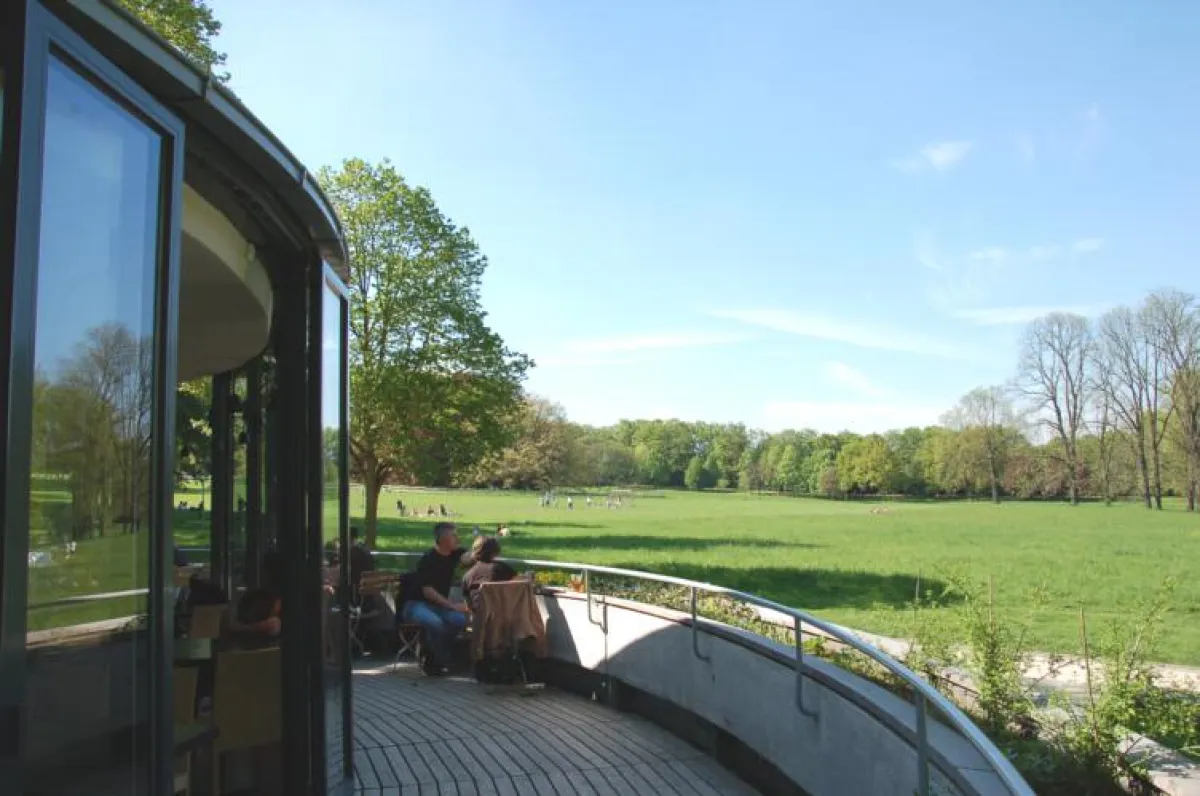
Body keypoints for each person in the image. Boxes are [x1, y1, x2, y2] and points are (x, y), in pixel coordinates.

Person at [400, 523, 473, 674]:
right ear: (444, 539)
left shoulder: (454, 554)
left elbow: (469, 558)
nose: (457, 539)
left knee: (460, 621)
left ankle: (434, 655)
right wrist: (451, 605)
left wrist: (480, 550)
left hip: (438, 606)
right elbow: (428, 591)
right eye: (454, 535)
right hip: (416, 605)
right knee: (436, 623)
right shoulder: (428, 559)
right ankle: (436, 659)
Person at [461, 536, 518, 611]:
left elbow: (468, 606)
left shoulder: (467, 576)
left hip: (479, 619)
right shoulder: (502, 568)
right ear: (496, 552)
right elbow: (521, 585)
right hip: (504, 617)